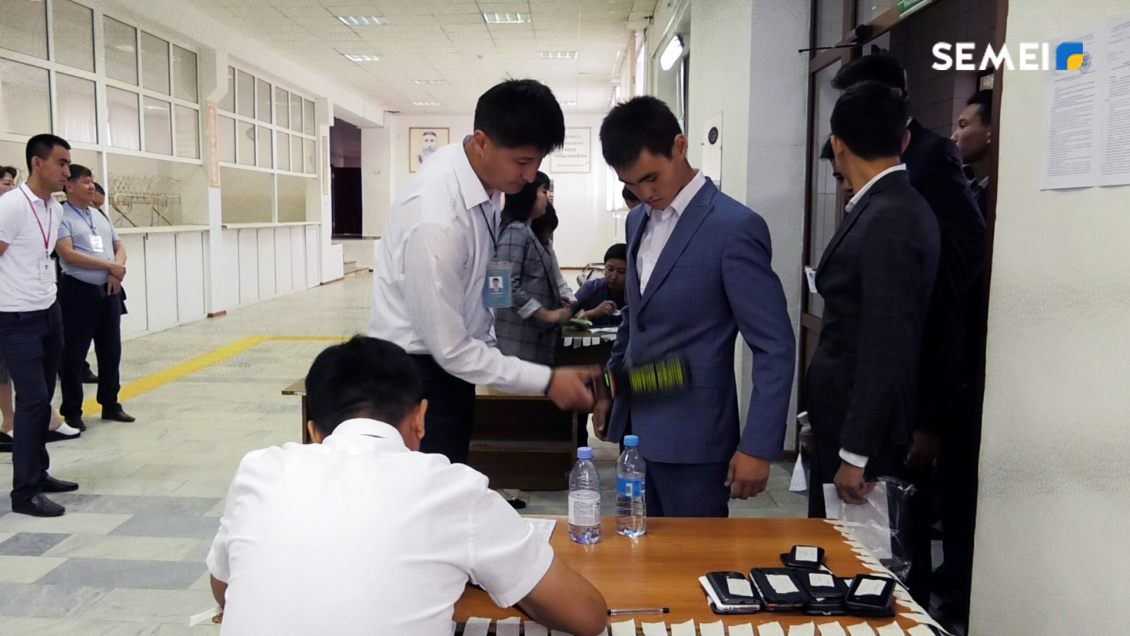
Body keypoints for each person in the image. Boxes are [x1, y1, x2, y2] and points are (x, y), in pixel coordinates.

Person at [206, 336, 608, 635]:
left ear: (313, 432)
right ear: (420, 418)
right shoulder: (452, 489)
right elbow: (587, 616)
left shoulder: (259, 470)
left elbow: (223, 589)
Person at [368, 79, 597, 466]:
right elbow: (450, 349)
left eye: (537, 162)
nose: (531, 176)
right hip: (415, 377)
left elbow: (489, 280)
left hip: (452, 368)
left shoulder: (482, 180)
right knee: (428, 483)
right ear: (481, 142)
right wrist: (546, 380)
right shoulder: (435, 218)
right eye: (522, 162)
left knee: (450, 471)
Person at [593, 96, 796, 518]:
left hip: (696, 439)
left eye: (651, 178)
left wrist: (758, 445)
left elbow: (774, 345)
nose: (645, 193)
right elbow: (634, 320)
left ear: (680, 146)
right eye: (631, 185)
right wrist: (610, 390)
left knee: (692, 555)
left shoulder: (733, 227)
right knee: (636, 550)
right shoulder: (636, 221)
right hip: (634, 430)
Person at [832, 54, 985, 606]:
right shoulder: (879, 193)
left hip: (894, 405)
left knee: (880, 562)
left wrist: (921, 419)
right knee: (859, 554)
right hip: (872, 404)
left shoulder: (907, 192)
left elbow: (903, 323)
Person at [806, 81, 940, 570]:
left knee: (866, 568)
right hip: (845, 421)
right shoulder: (880, 205)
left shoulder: (891, 215)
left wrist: (855, 453)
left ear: (837, 145)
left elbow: (885, 344)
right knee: (843, 561)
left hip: (866, 437)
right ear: (903, 139)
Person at [0, 134, 80, 517]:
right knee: (31, 401)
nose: (67, 171)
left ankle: (39, 472)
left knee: (44, 397)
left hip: (49, 310)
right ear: (37, 163)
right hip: (16, 317)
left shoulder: (53, 209)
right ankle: (24, 493)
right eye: (61, 163)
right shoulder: (11, 206)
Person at [56, 164, 133, 432]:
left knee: (111, 350)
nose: (92, 187)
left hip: (108, 291)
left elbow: (119, 246)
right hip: (78, 291)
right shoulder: (61, 215)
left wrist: (116, 270)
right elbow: (68, 254)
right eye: (86, 182)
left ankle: (110, 403)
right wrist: (108, 266)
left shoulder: (99, 214)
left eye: (92, 181)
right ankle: (72, 411)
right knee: (73, 354)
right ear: (69, 186)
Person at [494, 172, 572, 366]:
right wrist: (547, 314)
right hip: (517, 343)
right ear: (528, 194)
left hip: (534, 340)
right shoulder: (515, 230)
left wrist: (554, 298)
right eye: (543, 191)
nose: (547, 198)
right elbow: (500, 286)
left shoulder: (527, 232)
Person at [952, 89, 993, 215]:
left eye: (963, 126)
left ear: (992, 132)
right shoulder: (964, 187)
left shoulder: (1004, 193)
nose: (953, 137)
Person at [573, 243, 627, 327]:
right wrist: (592, 313)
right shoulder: (590, 289)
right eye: (610, 269)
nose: (613, 277)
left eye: (621, 272)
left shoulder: (638, 293)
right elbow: (565, 317)